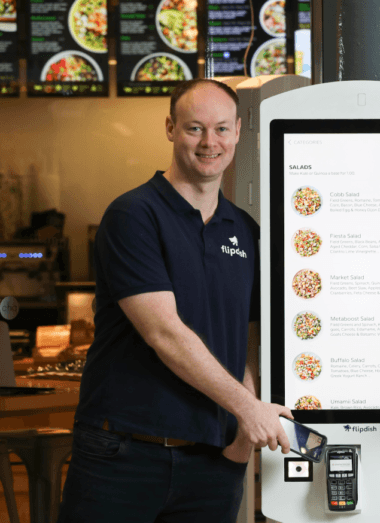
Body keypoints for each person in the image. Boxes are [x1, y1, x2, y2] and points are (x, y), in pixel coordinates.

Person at [58, 79, 293, 523]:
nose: (210, 143)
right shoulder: (134, 216)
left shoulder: (243, 230)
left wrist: (241, 444)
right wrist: (248, 409)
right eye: (195, 129)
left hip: (211, 463)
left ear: (239, 131)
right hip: (123, 454)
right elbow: (163, 332)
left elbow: (246, 337)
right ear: (170, 128)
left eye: (222, 129)